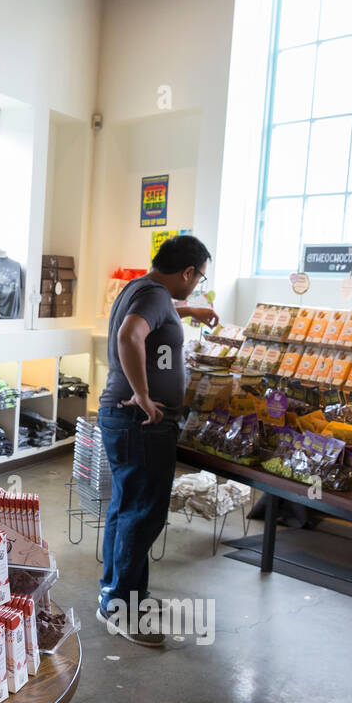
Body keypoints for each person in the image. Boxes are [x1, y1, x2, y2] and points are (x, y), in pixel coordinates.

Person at [96, 235, 216, 646]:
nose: (196, 285)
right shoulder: (155, 295)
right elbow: (130, 335)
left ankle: (118, 593)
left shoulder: (142, 288)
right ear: (187, 272)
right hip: (140, 420)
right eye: (198, 278)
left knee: (126, 507)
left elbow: (149, 320)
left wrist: (191, 310)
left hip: (125, 419)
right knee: (142, 513)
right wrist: (145, 396)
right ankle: (123, 608)